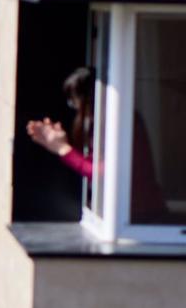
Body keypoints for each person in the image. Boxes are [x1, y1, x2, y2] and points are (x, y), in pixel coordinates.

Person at [26, 67, 167, 222]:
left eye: (75, 102)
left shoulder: (121, 122)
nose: (76, 109)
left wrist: (62, 148)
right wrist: (60, 143)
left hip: (139, 217)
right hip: (132, 213)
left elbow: (102, 173)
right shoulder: (111, 121)